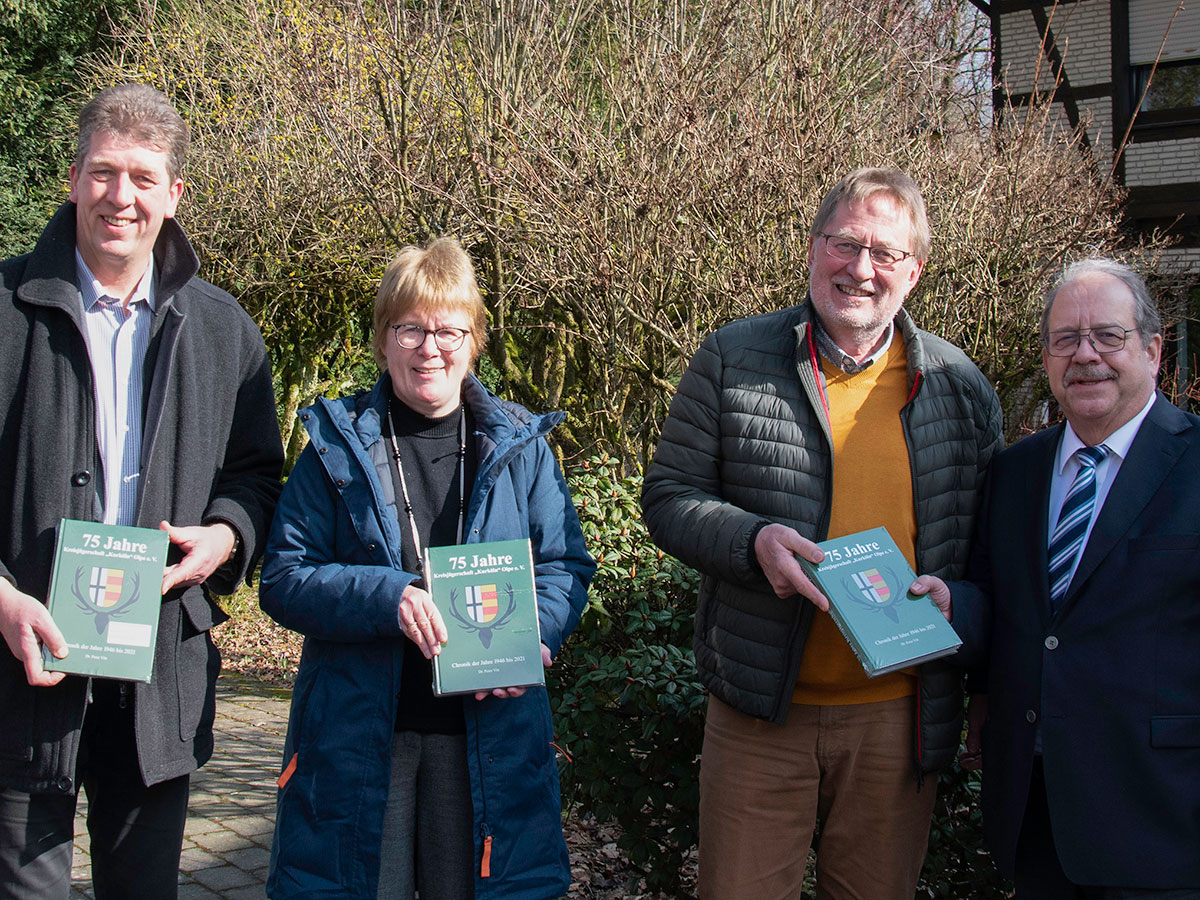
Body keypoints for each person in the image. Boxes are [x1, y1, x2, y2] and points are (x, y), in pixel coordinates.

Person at [641, 167, 1003, 899]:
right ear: (813, 249)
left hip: (896, 721)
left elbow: (993, 556)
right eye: (844, 244)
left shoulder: (961, 386)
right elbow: (669, 496)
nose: (861, 269)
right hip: (761, 715)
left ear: (915, 272)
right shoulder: (733, 357)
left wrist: (962, 607)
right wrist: (752, 544)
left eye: (886, 253)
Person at [0, 84, 284, 899]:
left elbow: (256, 475)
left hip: (158, 679)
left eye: (143, 178)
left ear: (174, 196)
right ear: (72, 178)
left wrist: (225, 536)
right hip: (21, 675)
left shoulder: (225, 330)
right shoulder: (5, 311)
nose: (120, 197)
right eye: (104, 173)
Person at [259, 236, 595, 900]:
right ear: (383, 339)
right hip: (361, 738)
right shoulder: (334, 444)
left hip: (485, 736)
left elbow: (563, 565)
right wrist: (387, 597)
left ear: (474, 342)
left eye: (449, 329)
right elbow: (284, 577)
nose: (429, 347)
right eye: (409, 328)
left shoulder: (521, 446)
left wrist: (533, 637)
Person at [916, 259, 1200, 896]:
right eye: (1066, 339)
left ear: (1154, 351)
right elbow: (1004, 604)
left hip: (1166, 816)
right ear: (1046, 357)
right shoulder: (1015, 472)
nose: (1086, 355)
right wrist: (950, 607)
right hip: (1036, 811)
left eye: (1109, 335)